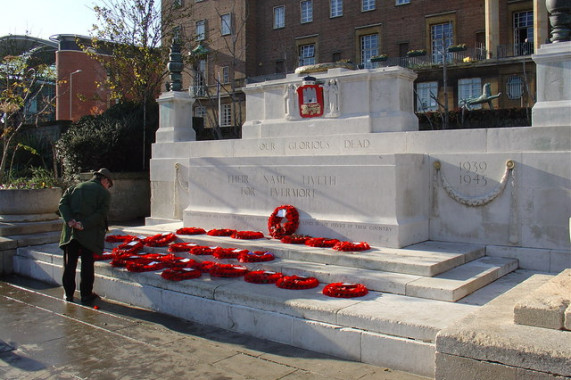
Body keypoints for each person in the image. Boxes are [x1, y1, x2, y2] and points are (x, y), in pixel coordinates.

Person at [59, 168, 113, 304]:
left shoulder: (73, 188)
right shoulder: (104, 194)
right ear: (104, 180)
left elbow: (62, 204)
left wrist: (70, 220)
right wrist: (83, 224)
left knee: (69, 263)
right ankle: (86, 294)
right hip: (89, 233)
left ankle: (68, 293)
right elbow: (101, 214)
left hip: (71, 232)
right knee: (87, 263)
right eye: (109, 184)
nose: (108, 187)